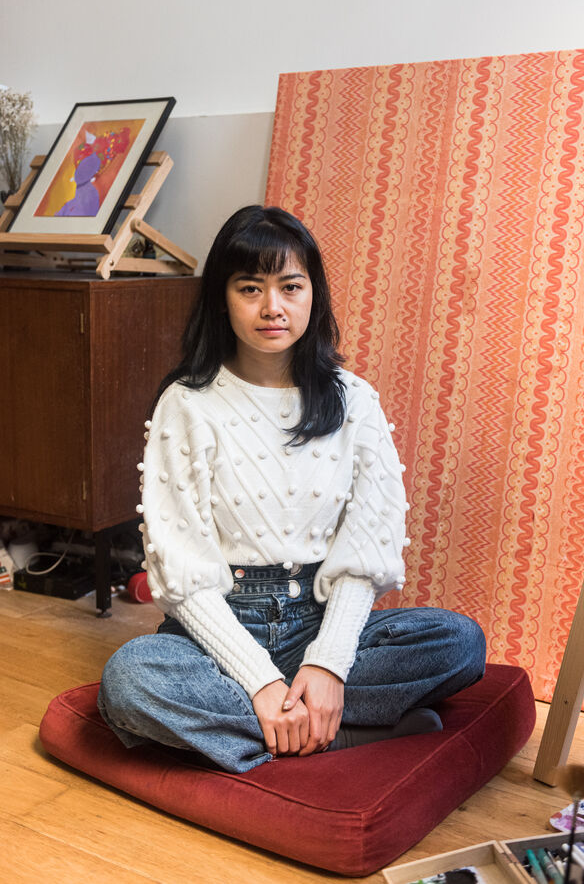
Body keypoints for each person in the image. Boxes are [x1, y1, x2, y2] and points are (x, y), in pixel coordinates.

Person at [98, 205, 486, 774]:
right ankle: (339, 732)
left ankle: (263, 731)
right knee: (131, 680)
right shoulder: (187, 403)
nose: (272, 307)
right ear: (222, 299)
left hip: (317, 617)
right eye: (250, 288)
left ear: (313, 295)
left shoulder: (354, 399)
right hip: (220, 625)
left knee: (459, 641)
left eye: (290, 286)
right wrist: (258, 680)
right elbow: (182, 577)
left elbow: (366, 550)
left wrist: (327, 665)